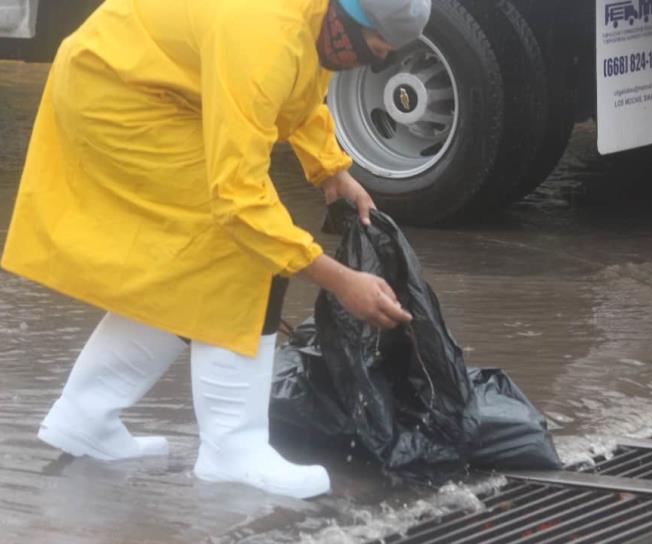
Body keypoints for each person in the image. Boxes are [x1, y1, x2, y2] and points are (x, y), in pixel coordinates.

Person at [0, 0, 430, 499]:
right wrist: (341, 281)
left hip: (150, 83)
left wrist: (334, 170)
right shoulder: (263, 32)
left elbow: (295, 88)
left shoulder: (312, 22)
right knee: (239, 250)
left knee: (190, 266)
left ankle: (86, 415)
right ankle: (233, 451)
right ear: (346, 17)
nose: (371, 65)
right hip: (117, 96)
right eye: (373, 50)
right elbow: (240, 202)